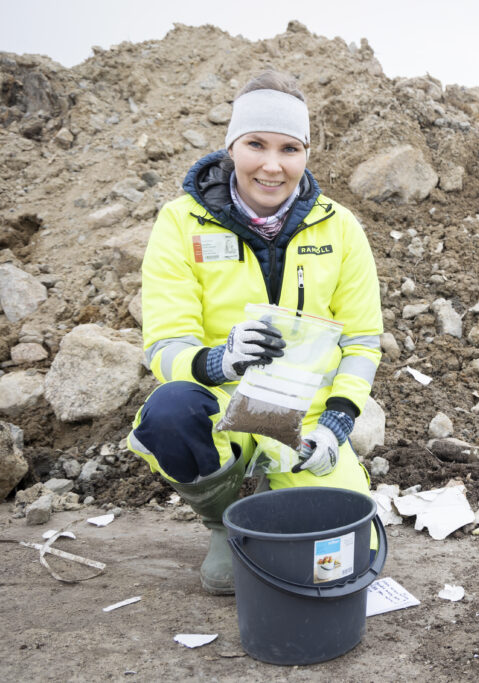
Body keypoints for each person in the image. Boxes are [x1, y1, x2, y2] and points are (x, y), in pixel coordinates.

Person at [126, 70, 383, 595]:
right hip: (223, 405)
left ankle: (279, 490)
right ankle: (225, 522)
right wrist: (221, 361)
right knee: (171, 413)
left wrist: (334, 426)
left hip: (303, 417)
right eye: (256, 145)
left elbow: (361, 342)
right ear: (231, 146)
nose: (272, 164)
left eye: (290, 148)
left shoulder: (340, 228)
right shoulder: (181, 223)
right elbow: (166, 343)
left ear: (307, 153)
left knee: (354, 558)